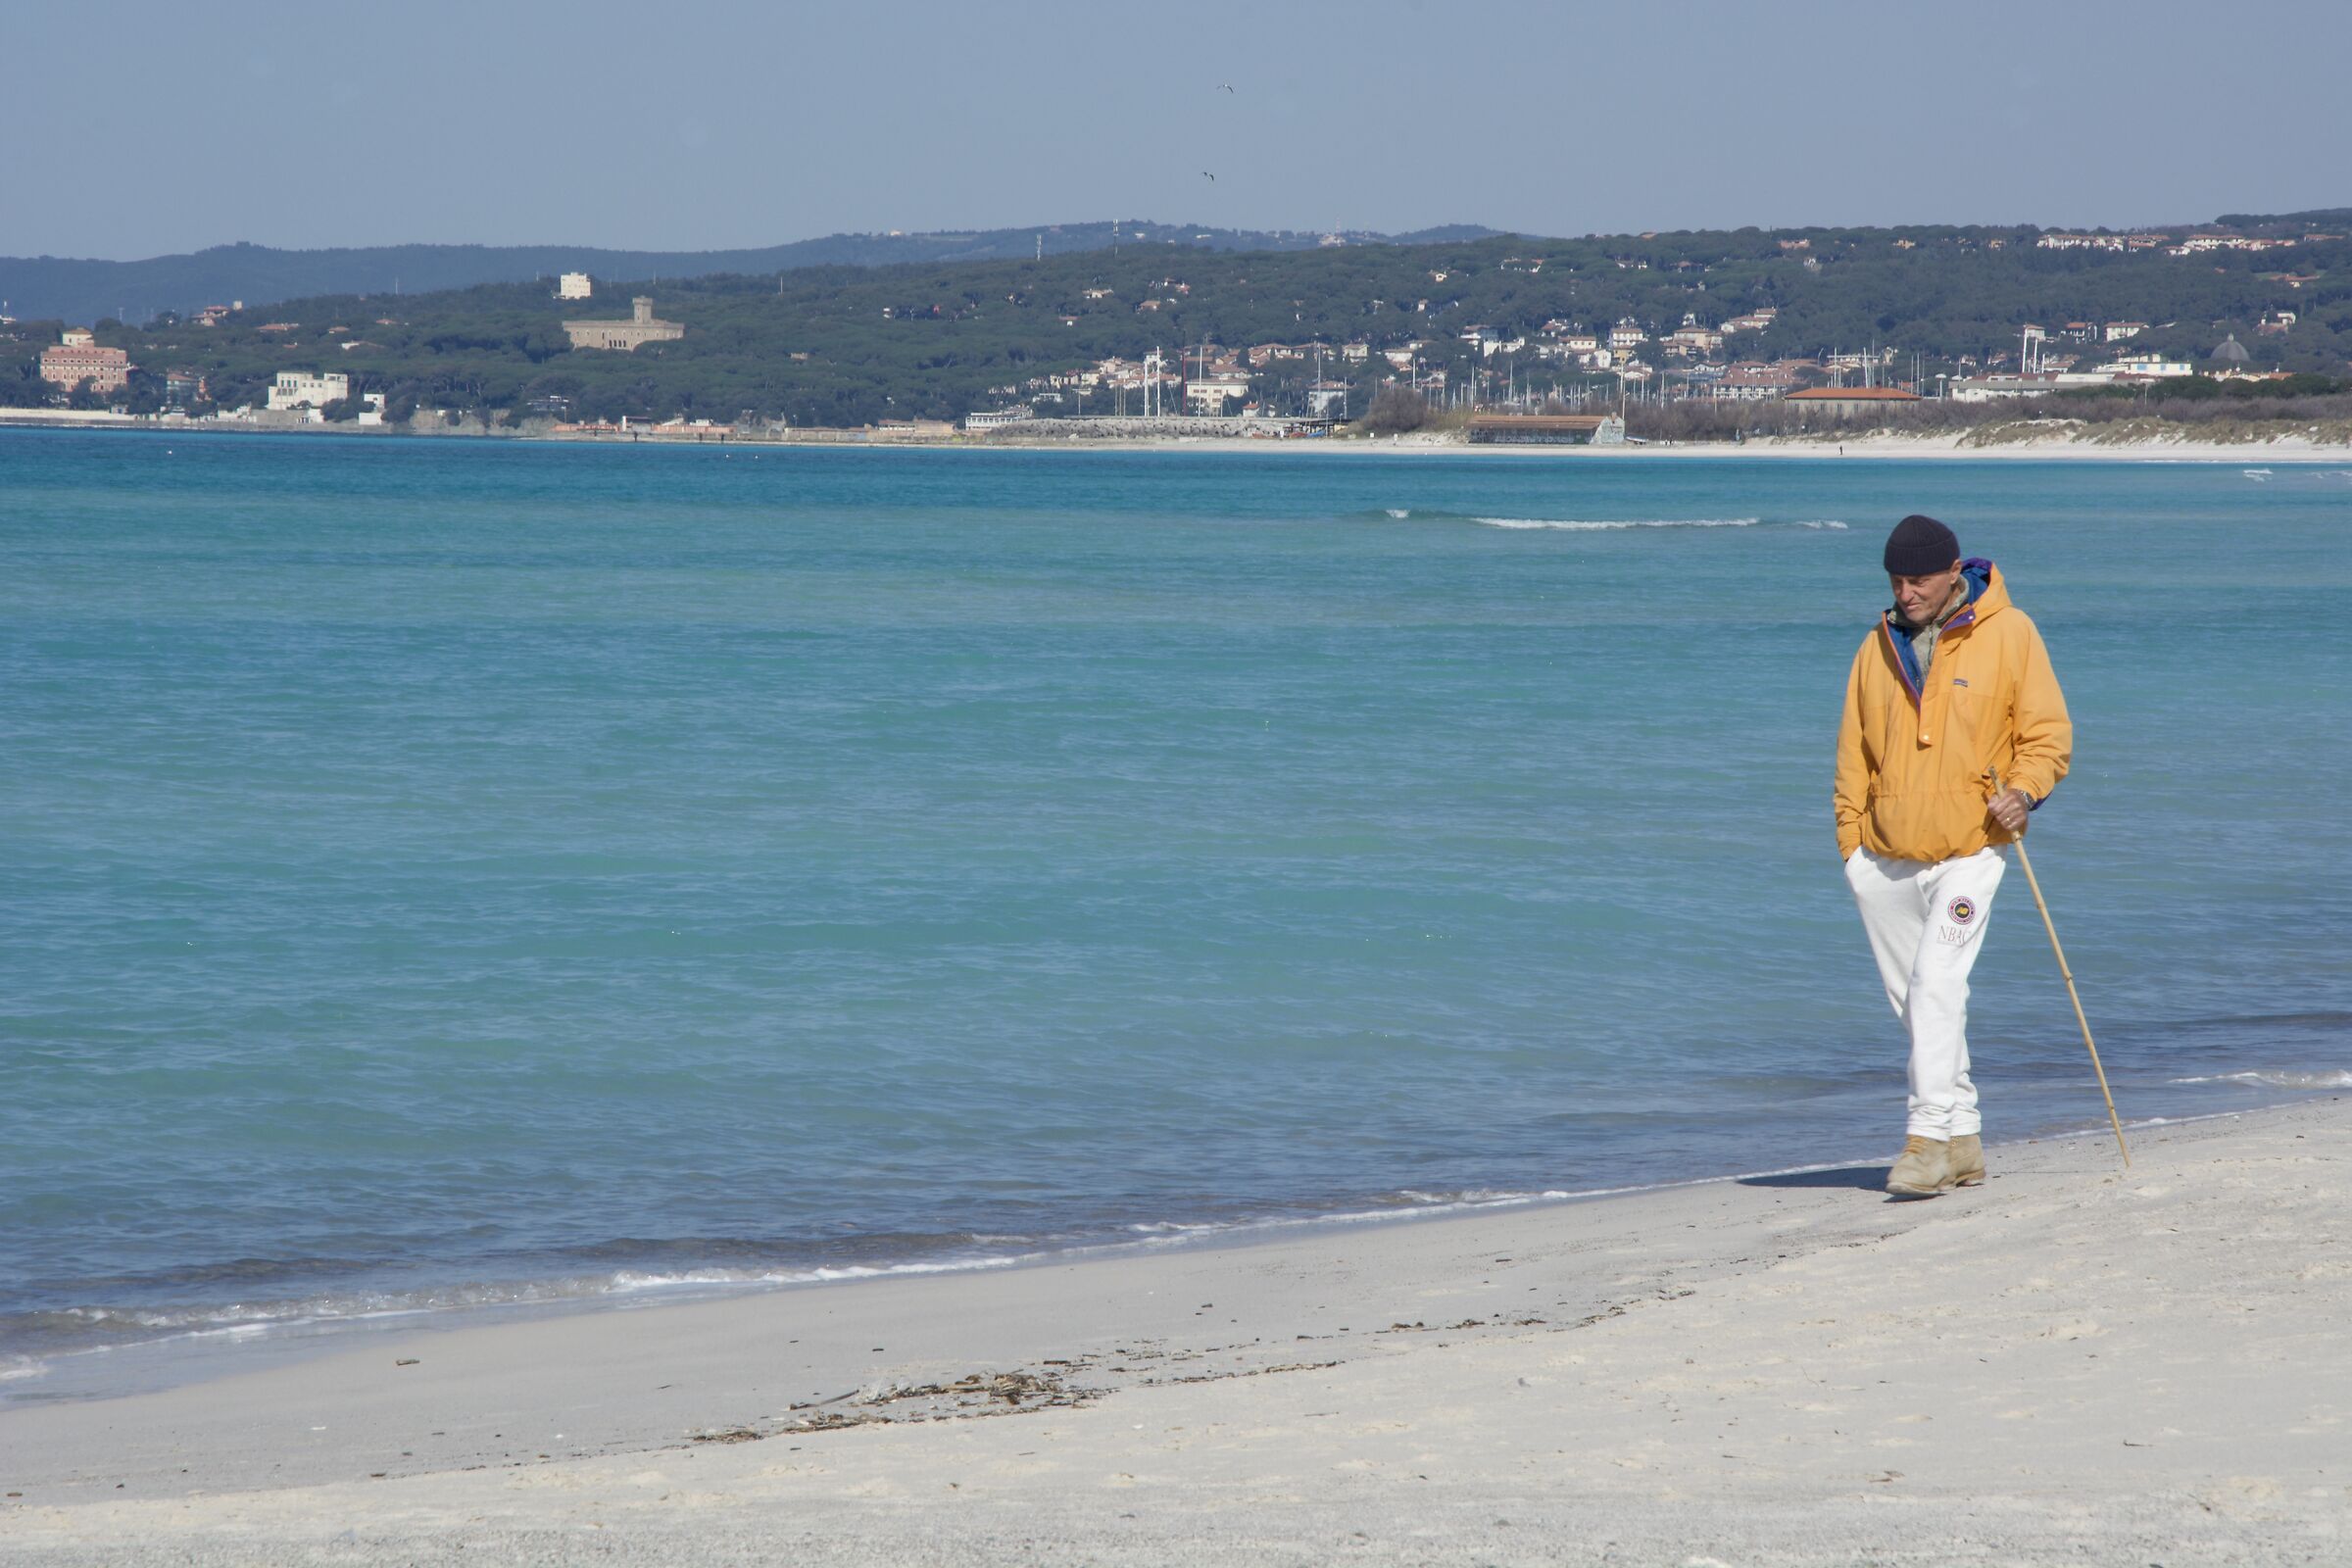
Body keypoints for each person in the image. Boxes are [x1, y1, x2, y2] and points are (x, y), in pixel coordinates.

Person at [1835, 514, 2072, 1197]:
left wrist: (2024, 792)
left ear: (1952, 573)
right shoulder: (1875, 646)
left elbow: (2047, 734)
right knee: (1917, 1003)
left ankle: (1927, 1140)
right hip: (1884, 857)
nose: (1905, 593)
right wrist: (1852, 847)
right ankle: (1964, 1137)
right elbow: (1853, 753)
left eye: (1918, 580)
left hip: (1973, 848)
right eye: (1895, 581)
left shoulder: (2011, 632)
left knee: (1937, 985)